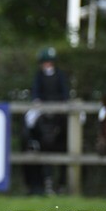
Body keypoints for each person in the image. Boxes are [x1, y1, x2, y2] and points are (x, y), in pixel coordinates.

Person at [24, 46, 71, 195]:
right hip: (43, 105)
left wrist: (63, 102)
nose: (46, 64)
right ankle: (32, 142)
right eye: (45, 62)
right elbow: (35, 90)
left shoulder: (60, 75)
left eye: (48, 62)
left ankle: (76, 142)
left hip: (58, 105)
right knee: (29, 117)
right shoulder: (39, 75)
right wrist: (37, 100)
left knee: (75, 119)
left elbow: (65, 91)